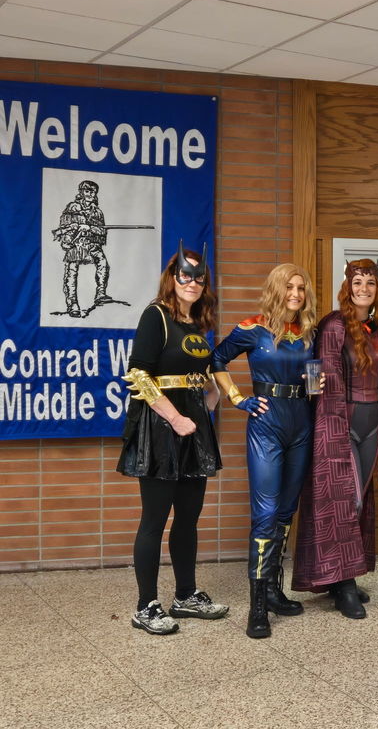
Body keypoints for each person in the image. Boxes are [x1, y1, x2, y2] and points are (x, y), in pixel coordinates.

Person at [117, 242, 228, 635]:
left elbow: (199, 376)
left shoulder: (197, 322)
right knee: (154, 521)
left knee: (188, 521)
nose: (193, 282)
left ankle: (185, 595)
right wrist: (176, 417)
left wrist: (211, 394)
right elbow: (139, 376)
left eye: (199, 277)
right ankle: (146, 605)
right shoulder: (156, 316)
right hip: (162, 429)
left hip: (193, 429)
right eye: (186, 274)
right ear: (172, 276)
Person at [212, 263, 317, 639]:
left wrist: (318, 384)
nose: (295, 293)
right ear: (276, 289)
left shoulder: (309, 333)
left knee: (287, 509)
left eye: (301, 288)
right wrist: (238, 397)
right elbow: (216, 359)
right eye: (289, 286)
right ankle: (257, 604)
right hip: (267, 424)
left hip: (302, 422)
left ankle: (274, 589)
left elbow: (318, 377)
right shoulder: (252, 328)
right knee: (267, 511)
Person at [292, 259, 378, 620]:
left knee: (359, 501)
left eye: (370, 283)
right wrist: (330, 430)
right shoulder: (334, 324)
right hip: (340, 422)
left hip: (372, 424)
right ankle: (343, 584)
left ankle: (342, 577)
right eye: (357, 282)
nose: (363, 289)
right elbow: (319, 375)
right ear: (347, 287)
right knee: (342, 500)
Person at [53, 180, 111, 317]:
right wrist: (73, 230)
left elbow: (102, 231)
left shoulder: (97, 212)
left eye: (93, 192)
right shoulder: (72, 207)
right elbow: (63, 227)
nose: (90, 194)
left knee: (103, 263)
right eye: (87, 191)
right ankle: (72, 304)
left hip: (91, 244)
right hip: (75, 244)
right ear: (82, 192)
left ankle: (100, 293)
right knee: (71, 274)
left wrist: (89, 228)